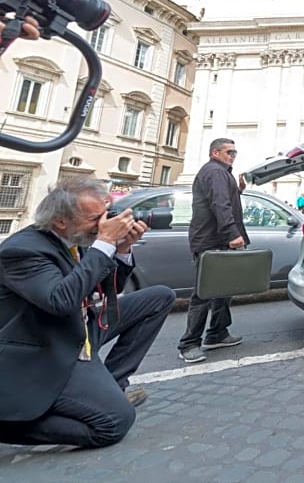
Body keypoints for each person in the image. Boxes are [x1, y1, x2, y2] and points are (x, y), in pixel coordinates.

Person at [0, 178, 174, 448]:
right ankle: (12, 427)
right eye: (95, 218)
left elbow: (107, 290)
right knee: (115, 423)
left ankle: (114, 384)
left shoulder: (76, 238)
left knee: (159, 297)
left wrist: (122, 250)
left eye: (105, 215)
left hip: (81, 329)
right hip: (49, 346)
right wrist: (104, 242)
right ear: (60, 220)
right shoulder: (22, 251)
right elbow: (60, 301)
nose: (102, 224)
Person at [178, 138, 249, 364]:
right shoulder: (215, 172)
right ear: (215, 152)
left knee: (223, 289)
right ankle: (189, 344)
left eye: (235, 152)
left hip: (217, 240)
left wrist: (237, 190)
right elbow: (220, 204)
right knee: (204, 293)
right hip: (211, 241)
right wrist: (232, 234)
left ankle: (217, 333)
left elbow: (223, 198)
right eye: (229, 152)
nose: (233, 155)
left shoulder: (220, 173)